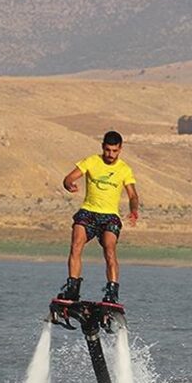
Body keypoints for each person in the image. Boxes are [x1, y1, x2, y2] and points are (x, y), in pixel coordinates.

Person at [56, 130, 140, 304]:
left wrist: (133, 210)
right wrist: (68, 184)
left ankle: (112, 291)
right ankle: (72, 288)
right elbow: (69, 178)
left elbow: (133, 195)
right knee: (76, 244)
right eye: (108, 150)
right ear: (103, 147)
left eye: (115, 151)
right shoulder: (91, 161)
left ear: (120, 149)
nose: (110, 154)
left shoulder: (124, 169)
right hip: (88, 211)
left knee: (109, 249)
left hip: (110, 216)